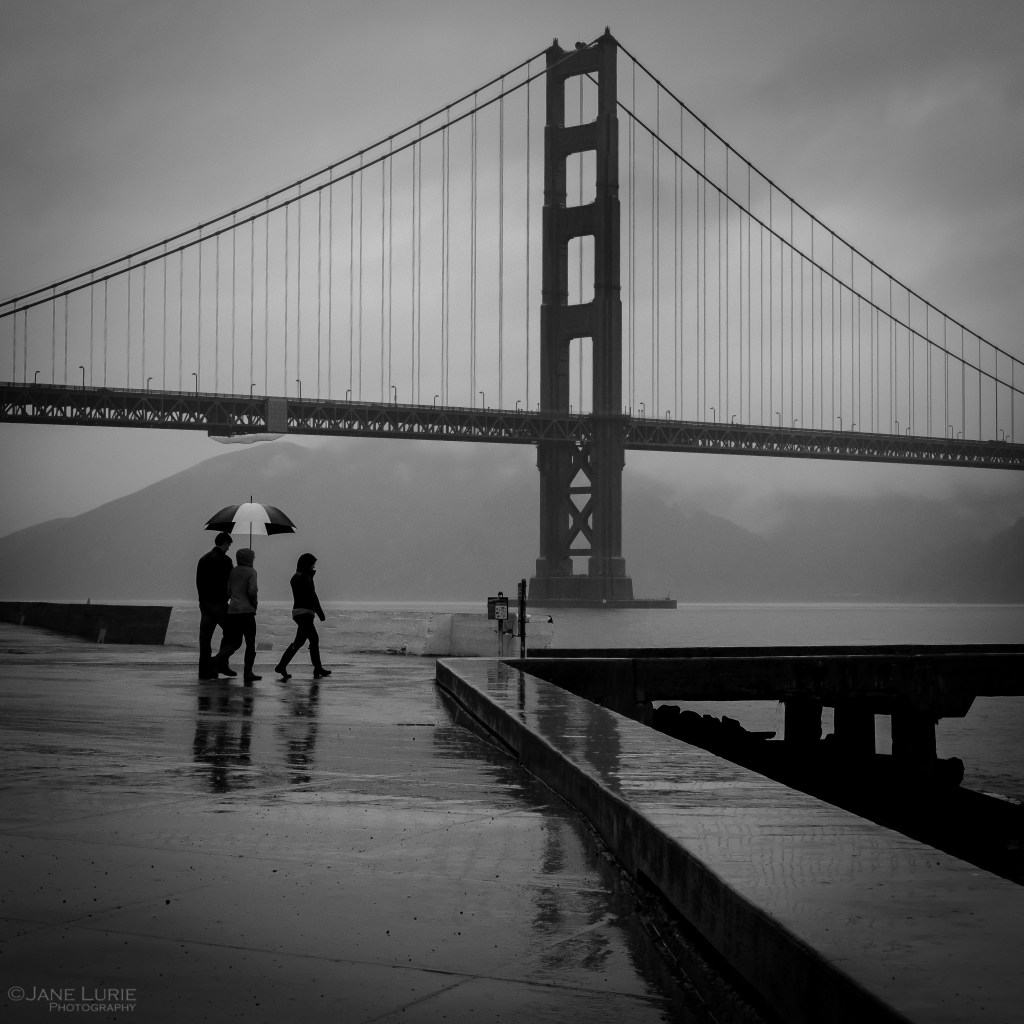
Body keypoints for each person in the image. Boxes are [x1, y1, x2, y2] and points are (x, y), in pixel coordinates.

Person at [274, 552, 331, 679]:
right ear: (307, 564)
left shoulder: (296, 577)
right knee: (313, 639)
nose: (314, 567)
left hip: (298, 612)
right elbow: (312, 596)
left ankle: (282, 666)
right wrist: (321, 613)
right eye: (312, 565)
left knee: (300, 641)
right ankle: (317, 668)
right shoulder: (305, 577)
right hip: (305, 612)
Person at [213, 547, 261, 684]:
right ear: (249, 558)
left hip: (233, 611)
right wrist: (254, 604)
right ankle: (248, 672)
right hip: (247, 611)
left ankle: (215, 661)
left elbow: (228, 591)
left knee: (234, 641)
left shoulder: (233, 571)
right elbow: (252, 591)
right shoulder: (252, 571)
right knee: (250, 643)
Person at [196, 532, 235, 679]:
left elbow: (199, 583)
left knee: (205, 639)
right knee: (232, 633)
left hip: (205, 603)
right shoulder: (226, 561)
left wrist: (203, 599)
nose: (229, 548)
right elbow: (230, 582)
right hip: (219, 603)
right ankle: (220, 663)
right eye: (228, 545)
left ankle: (204, 670)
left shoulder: (203, 559)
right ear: (224, 543)